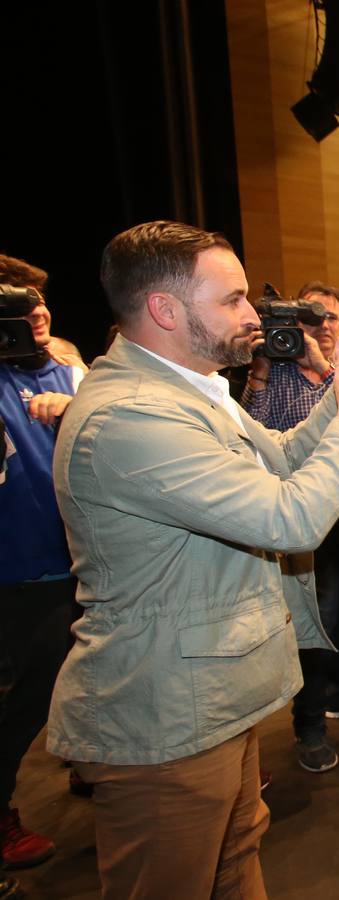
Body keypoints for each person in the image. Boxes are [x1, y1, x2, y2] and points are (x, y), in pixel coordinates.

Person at [48, 221, 339, 898]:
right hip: (164, 718)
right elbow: (289, 516)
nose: (253, 316)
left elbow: (281, 461)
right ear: (165, 309)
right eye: (234, 299)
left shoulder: (188, 391)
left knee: (236, 854)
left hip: (208, 700)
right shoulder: (132, 416)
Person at [240, 280, 339, 773]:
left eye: (331, 317)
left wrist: (330, 370)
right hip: (309, 527)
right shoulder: (275, 368)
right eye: (313, 317)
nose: (323, 326)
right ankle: (309, 723)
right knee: (316, 624)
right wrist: (263, 368)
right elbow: (251, 437)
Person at [0, 254, 82, 868]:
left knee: (78, 681)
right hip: (17, 573)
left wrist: (76, 404)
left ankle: (90, 762)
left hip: (75, 563)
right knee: (23, 702)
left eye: (39, 303)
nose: (38, 313)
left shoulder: (64, 370)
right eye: (21, 307)